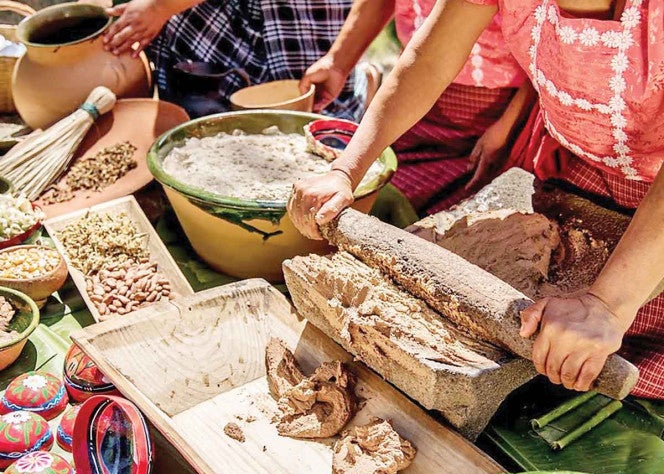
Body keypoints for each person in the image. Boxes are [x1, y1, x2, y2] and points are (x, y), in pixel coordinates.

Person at [288, 0, 664, 399]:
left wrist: (606, 306)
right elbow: (427, 60)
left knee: (599, 355)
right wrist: (345, 170)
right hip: (577, 174)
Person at [300, 0, 534, 213]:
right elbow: (426, 63)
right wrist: (338, 62)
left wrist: (506, 128)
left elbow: (548, 46)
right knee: (382, 199)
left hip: (495, 117)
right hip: (411, 101)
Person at [100, 0, 368, 120]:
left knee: (300, 110)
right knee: (202, 117)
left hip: (294, 20)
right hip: (209, 21)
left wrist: (161, 7)